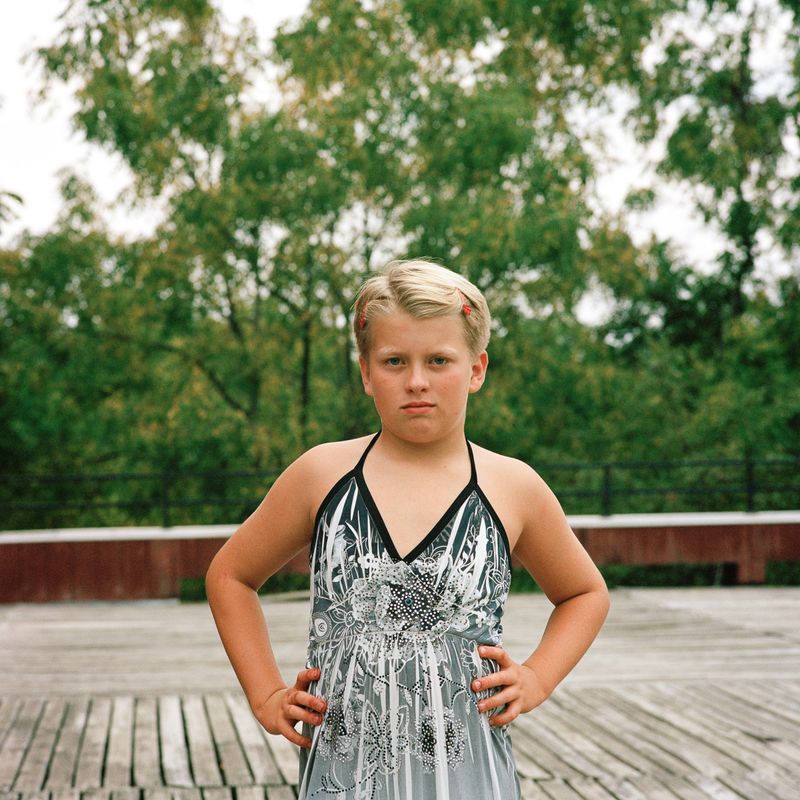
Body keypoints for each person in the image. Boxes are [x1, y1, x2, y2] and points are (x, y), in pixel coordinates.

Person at [206, 258, 610, 799]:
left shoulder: (513, 487)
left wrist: (538, 676)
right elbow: (230, 575)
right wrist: (265, 694)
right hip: (344, 775)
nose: (416, 381)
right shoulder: (322, 476)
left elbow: (585, 593)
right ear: (367, 372)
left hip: (468, 776)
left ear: (476, 369)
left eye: (439, 360)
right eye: (394, 361)